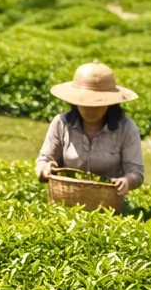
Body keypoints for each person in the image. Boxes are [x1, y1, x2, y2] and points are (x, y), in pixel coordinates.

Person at [36, 62, 144, 198]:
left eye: (97, 104)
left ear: (110, 104)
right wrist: (44, 169)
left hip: (109, 202)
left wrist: (127, 181)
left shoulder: (126, 128)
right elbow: (44, 159)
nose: (90, 110)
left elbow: (136, 173)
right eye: (85, 104)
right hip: (65, 198)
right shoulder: (61, 123)